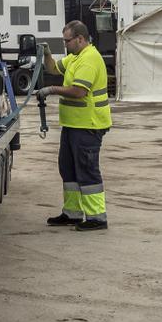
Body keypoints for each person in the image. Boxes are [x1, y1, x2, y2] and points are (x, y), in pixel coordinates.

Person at [40, 20, 112, 231]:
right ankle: (72, 213)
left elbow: (79, 91)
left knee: (87, 171)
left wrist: (52, 90)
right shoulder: (74, 57)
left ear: (80, 38)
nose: (65, 45)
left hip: (88, 125)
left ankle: (97, 218)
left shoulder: (89, 59)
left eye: (67, 40)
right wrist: (46, 54)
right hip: (73, 124)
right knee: (68, 169)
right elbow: (53, 68)